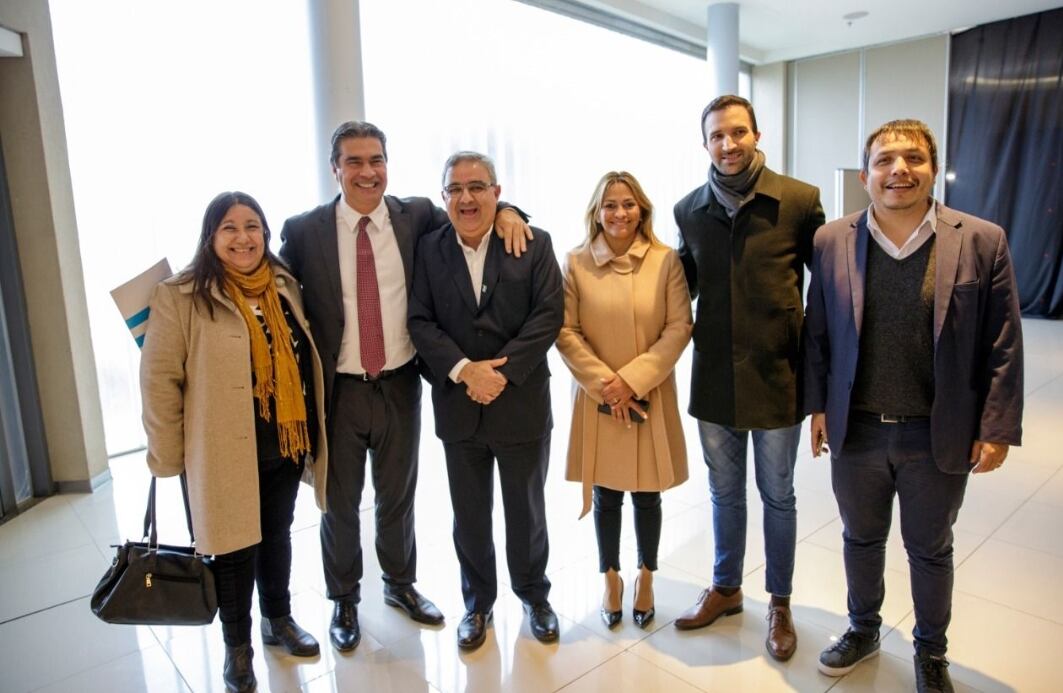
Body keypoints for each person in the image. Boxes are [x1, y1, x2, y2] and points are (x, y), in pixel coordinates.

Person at [279, 122, 530, 652]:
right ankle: (344, 599)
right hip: (340, 390)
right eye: (354, 161)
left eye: (376, 160)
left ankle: (399, 585)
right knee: (340, 504)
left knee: (398, 497)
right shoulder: (304, 231)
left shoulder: (415, 216)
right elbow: (266, 278)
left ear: (387, 164)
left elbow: (474, 215)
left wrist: (510, 212)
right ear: (335, 169)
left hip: (399, 384)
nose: (367, 172)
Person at [805, 119, 1023, 692]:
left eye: (912, 159)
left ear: (931, 170)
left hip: (938, 432)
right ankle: (862, 628)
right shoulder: (832, 241)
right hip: (860, 430)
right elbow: (818, 334)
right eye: (884, 160)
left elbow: (1003, 339)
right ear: (865, 174)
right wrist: (818, 406)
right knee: (860, 538)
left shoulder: (980, 239)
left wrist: (995, 426)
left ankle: (931, 652)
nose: (898, 170)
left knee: (929, 549)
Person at [141, 191, 329, 693]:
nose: (244, 238)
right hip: (221, 448)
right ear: (211, 237)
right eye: (230, 228)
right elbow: (160, 379)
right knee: (231, 549)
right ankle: (237, 648)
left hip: (284, 441)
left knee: (277, 533)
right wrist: (167, 456)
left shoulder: (284, 284)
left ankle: (279, 619)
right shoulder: (180, 295)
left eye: (253, 226)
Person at [672, 94, 825, 661]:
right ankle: (726, 587)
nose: (728, 144)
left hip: (778, 375)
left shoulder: (800, 201)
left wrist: (823, 377)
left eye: (738, 133)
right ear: (705, 143)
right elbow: (674, 289)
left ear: (756, 135)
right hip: (714, 376)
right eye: (717, 135)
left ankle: (779, 602)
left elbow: (829, 289)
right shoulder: (688, 210)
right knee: (722, 492)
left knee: (778, 495)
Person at [407, 151, 564, 651]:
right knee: (469, 515)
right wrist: (463, 370)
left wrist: (500, 372)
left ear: (498, 193)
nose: (466, 197)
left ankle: (534, 596)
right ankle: (478, 604)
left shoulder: (533, 244)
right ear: (444, 198)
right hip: (458, 406)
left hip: (519, 402)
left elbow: (548, 314)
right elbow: (420, 321)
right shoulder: (429, 249)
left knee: (527, 511)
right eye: (455, 189)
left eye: (477, 187)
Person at [556, 171, 692, 630]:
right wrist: (606, 384)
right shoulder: (575, 263)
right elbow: (566, 330)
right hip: (599, 398)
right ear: (597, 211)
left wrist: (632, 381)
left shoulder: (665, 260)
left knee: (647, 495)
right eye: (610, 205)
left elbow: (679, 328)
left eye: (628, 204)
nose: (619, 213)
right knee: (607, 493)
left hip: (648, 393)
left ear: (643, 210)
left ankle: (646, 575)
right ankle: (610, 577)